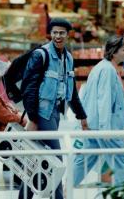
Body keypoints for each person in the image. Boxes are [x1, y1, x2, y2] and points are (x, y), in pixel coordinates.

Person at [19, 18, 88, 199]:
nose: (58, 36)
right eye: (55, 32)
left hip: (55, 114)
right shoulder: (41, 55)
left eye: (62, 33)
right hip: (42, 114)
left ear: (67, 35)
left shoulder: (68, 58)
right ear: (50, 34)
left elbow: (71, 91)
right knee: (57, 159)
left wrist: (81, 115)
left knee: (38, 161)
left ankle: (23, 197)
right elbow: (29, 88)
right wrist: (33, 118)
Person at [73, 35, 124, 186]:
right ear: (114, 52)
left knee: (85, 160)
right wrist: (105, 130)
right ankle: (123, 194)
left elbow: (87, 96)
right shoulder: (108, 71)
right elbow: (103, 101)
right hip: (105, 126)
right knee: (120, 161)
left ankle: (63, 190)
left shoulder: (99, 68)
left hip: (94, 124)